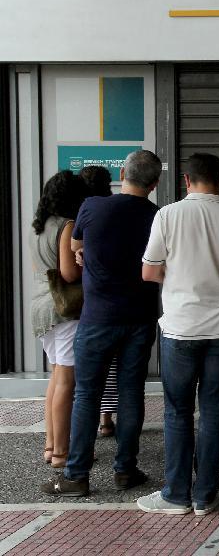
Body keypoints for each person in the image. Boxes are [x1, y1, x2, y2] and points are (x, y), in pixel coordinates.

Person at [137, 152, 219, 516]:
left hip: (181, 328)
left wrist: (180, 276)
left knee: (177, 411)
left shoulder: (167, 215)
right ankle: (205, 495)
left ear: (186, 181)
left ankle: (176, 494)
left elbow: (149, 272)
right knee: (213, 409)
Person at [40, 152, 162, 497]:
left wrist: (84, 254)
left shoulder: (92, 206)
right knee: (130, 393)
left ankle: (76, 476)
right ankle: (126, 470)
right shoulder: (157, 215)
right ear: (154, 184)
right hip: (139, 318)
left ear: (122, 173)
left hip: (97, 319)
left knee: (86, 394)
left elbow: (78, 247)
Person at [30, 170, 86, 469]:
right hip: (62, 308)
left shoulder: (37, 228)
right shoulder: (67, 225)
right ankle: (62, 453)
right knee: (67, 379)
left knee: (56, 376)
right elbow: (67, 274)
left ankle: (51, 446)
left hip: (40, 307)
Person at [77, 165, 117, 438]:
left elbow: (75, 250)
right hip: (115, 299)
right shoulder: (114, 209)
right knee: (113, 365)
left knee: (87, 374)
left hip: (87, 301)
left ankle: (83, 433)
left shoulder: (82, 211)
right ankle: (106, 419)